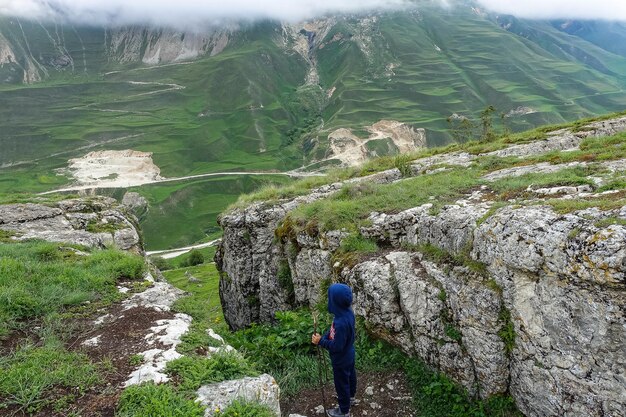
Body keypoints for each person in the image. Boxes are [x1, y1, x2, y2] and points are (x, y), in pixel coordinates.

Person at [312, 283, 357, 417]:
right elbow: (333, 333)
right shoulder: (346, 313)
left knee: (341, 383)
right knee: (350, 376)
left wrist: (320, 341)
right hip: (349, 353)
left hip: (341, 359)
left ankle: (344, 411)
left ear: (335, 302)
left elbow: (337, 346)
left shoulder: (341, 323)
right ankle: (351, 398)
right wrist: (324, 337)